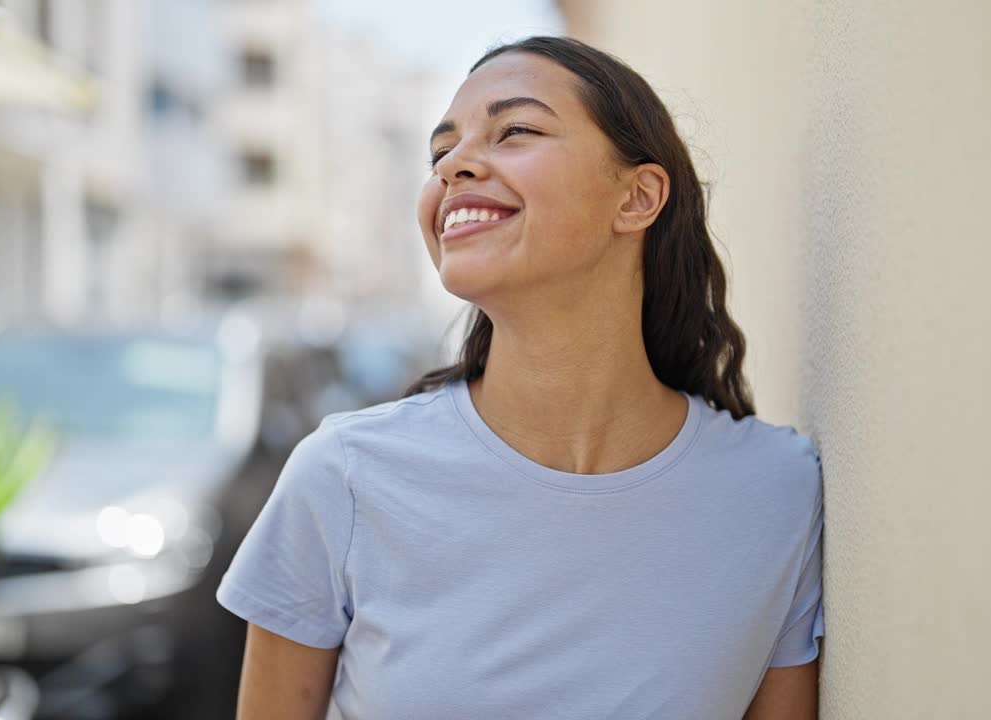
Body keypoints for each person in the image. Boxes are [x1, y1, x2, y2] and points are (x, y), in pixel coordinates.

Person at [216, 36, 825, 720]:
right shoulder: (344, 478)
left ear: (637, 197)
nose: (454, 166)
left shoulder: (776, 490)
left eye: (516, 131)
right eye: (440, 151)